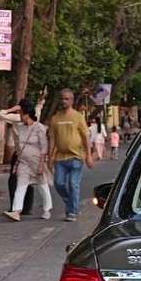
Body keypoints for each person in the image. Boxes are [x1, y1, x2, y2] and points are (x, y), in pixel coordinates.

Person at [0, 100, 52, 222]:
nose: (20, 116)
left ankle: (47, 210)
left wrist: (42, 165)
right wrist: (12, 109)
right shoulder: (20, 126)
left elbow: (44, 148)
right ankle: (16, 211)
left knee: (42, 186)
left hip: (37, 160)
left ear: (27, 114)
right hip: (23, 161)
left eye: (21, 113)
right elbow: (0, 115)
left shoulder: (39, 128)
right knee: (21, 185)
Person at [47, 88, 92, 221]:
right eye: (62, 98)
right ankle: (71, 203)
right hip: (60, 158)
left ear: (72, 100)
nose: (64, 101)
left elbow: (85, 137)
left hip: (76, 157)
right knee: (59, 183)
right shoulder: (55, 118)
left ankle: (72, 212)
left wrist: (88, 155)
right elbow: (52, 139)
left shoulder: (78, 117)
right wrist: (50, 158)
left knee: (73, 184)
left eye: (67, 99)